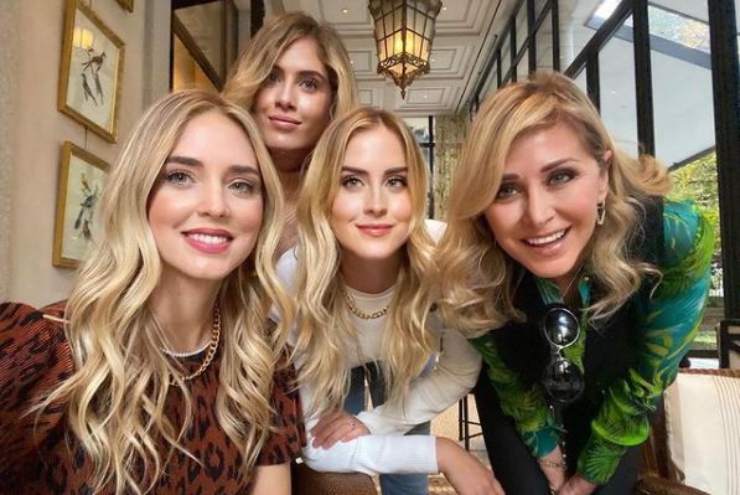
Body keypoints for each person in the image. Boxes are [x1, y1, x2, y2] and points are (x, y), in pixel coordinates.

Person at [0, 91, 304, 494]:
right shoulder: (44, 349)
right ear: (138, 192)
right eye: (180, 177)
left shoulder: (264, 360)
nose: (216, 206)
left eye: (241, 185)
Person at [437, 72, 713, 494]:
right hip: (520, 388)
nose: (537, 215)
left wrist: (586, 476)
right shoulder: (471, 266)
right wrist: (548, 458)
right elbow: (509, 380)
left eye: (560, 176)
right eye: (505, 189)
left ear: (603, 174)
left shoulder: (674, 238)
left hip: (618, 389)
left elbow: (647, 377)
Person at [277, 106, 504, 495]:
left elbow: (458, 372)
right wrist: (443, 453)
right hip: (334, 355)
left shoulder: (449, 260)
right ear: (323, 194)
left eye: (396, 181)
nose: (377, 204)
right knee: (343, 456)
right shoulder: (295, 276)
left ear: (416, 193)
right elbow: (318, 446)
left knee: (405, 459)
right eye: (351, 181)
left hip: (407, 348)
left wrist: (375, 423)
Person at [223, 12, 359, 253]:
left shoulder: (352, 205)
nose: (285, 99)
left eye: (309, 84)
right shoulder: (211, 192)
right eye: (271, 78)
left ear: (333, 102)